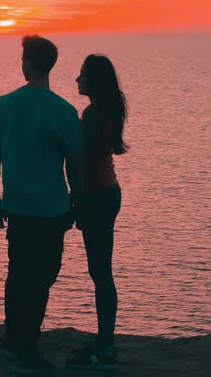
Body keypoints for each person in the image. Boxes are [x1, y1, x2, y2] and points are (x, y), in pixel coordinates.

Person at [0, 35, 85, 375]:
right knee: (43, 276)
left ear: (28, 63)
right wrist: (79, 202)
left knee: (18, 274)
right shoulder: (63, 111)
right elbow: (74, 165)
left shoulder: (4, 104)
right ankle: (26, 346)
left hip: (17, 207)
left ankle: (14, 340)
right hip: (52, 209)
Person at [65, 54, 129, 371]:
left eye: (82, 74)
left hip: (98, 197)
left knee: (101, 273)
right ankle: (104, 342)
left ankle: (105, 346)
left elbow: (81, 162)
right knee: (100, 272)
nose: (77, 80)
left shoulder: (92, 115)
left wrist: (77, 202)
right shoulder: (106, 111)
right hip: (107, 193)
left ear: (94, 80)